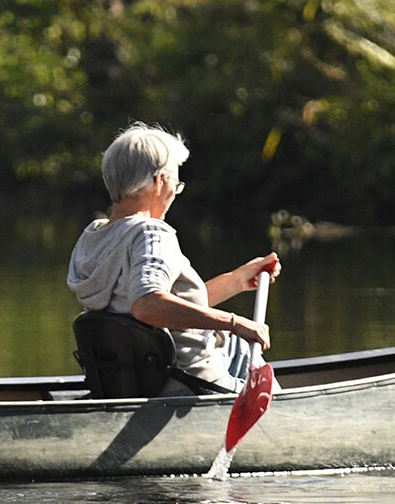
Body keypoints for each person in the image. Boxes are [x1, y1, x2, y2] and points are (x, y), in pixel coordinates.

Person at [66, 122, 281, 394]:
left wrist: (236, 280)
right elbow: (147, 305)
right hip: (190, 385)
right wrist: (234, 323)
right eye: (175, 184)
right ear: (158, 182)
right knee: (245, 353)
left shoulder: (95, 237)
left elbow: (162, 308)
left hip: (127, 384)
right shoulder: (152, 234)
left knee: (236, 347)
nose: (174, 195)